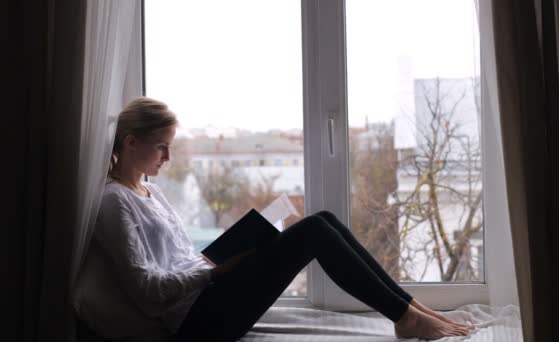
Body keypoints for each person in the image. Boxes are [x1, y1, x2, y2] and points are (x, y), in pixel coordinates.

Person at [95, 97, 474, 342]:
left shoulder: (151, 191)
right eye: (161, 146)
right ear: (131, 143)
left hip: (207, 294)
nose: (167, 157)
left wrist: (223, 253)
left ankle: (409, 308)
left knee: (322, 218)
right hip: (197, 322)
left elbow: (179, 258)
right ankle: (405, 316)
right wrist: (214, 273)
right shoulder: (115, 202)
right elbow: (146, 289)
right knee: (313, 232)